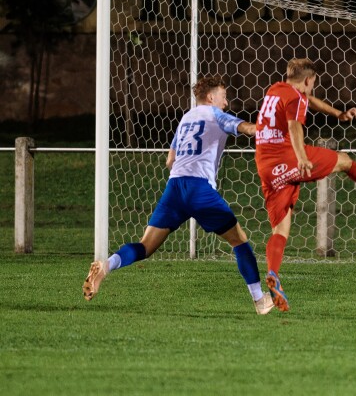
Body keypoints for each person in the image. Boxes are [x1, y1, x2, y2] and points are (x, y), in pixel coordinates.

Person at [83, 76, 275, 315]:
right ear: (211, 97)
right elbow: (246, 128)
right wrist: (268, 128)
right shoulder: (215, 115)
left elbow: (170, 160)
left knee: (145, 246)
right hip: (199, 189)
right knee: (240, 241)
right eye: (224, 98)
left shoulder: (186, 119)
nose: (226, 103)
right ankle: (260, 300)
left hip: (174, 188)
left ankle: (106, 266)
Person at [255, 57, 356, 311]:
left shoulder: (275, 90)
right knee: (345, 162)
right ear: (309, 80)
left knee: (280, 229)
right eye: (312, 84)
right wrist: (301, 157)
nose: (311, 90)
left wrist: (336, 113)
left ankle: (273, 274)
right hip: (287, 157)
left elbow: (306, 101)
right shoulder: (296, 96)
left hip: (265, 166)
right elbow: (295, 126)